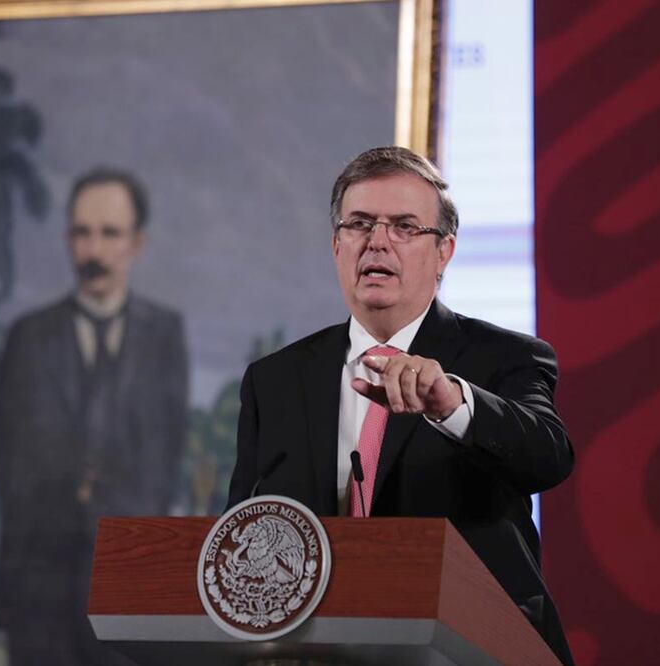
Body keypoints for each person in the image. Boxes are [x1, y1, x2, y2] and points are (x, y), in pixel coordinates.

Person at [226, 146, 575, 664]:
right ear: (337, 245)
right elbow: (241, 531)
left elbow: (548, 456)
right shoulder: (275, 379)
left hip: (469, 650)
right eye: (360, 223)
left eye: (405, 227)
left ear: (444, 253)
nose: (378, 242)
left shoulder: (506, 357)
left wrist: (452, 403)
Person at [0, 168, 189, 665]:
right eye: (82, 234)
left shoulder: (164, 337)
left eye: (110, 234)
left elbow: (163, 464)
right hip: (40, 594)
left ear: (137, 243)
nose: (95, 252)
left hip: (130, 595)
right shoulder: (28, 339)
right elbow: (6, 463)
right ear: (67, 240)